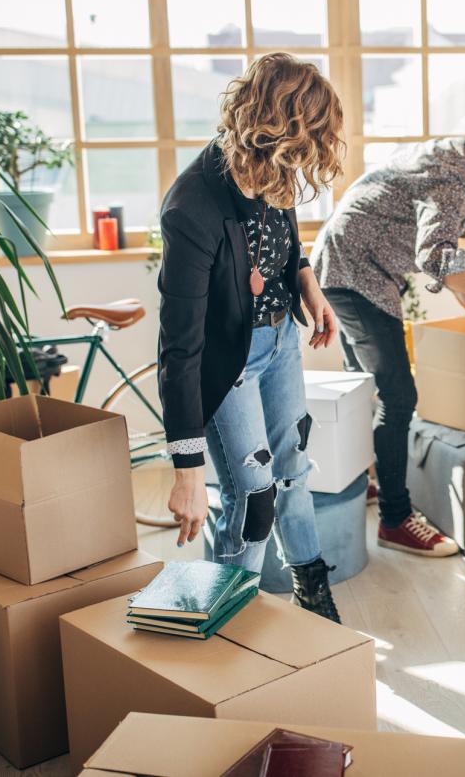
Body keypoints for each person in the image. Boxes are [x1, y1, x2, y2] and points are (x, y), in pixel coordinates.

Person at [312, 89, 465, 558]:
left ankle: (366, 480)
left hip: (353, 262)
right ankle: (396, 520)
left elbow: (431, 240)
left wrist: (464, 292)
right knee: (399, 395)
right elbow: (435, 253)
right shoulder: (455, 178)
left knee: (370, 388)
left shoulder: (460, 160)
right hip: (353, 270)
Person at [157, 53, 343, 622]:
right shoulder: (193, 207)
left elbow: (284, 228)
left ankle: (313, 597)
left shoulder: (272, 168)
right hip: (225, 360)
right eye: (308, 141)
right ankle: (230, 618)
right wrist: (187, 474)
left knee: (293, 470)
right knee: (253, 494)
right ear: (276, 130)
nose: (308, 160)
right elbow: (179, 349)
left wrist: (307, 283)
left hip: (280, 338)